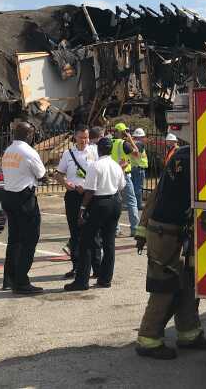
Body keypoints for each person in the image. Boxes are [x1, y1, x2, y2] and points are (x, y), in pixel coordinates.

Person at [134, 145, 206, 359]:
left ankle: (189, 334)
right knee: (165, 287)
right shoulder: (196, 161)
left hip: (175, 233)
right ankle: (148, 340)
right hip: (166, 234)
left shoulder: (181, 156)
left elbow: (156, 193)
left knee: (189, 284)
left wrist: (142, 229)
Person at [65, 137, 125, 291]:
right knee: (109, 242)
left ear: (99, 149)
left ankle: (82, 281)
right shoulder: (116, 166)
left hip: (100, 203)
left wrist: (82, 210)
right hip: (115, 202)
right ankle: (105, 279)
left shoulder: (95, 165)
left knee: (86, 241)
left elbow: (90, 190)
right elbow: (121, 185)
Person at [0, 121, 46, 295]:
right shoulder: (29, 152)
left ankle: (9, 279)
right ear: (29, 135)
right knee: (30, 240)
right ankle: (21, 282)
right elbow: (41, 174)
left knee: (14, 241)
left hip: (9, 196)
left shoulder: (8, 151)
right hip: (24, 198)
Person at [55, 125, 100, 281]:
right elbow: (58, 174)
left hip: (90, 195)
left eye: (86, 137)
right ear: (75, 137)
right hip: (73, 196)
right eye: (81, 137)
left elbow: (101, 170)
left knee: (93, 232)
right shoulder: (68, 154)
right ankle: (76, 267)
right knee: (75, 233)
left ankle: (97, 267)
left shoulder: (94, 151)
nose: (84, 140)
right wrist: (66, 183)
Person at [111, 123, 139, 237]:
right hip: (124, 175)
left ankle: (116, 230)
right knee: (132, 202)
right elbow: (137, 153)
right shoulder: (124, 144)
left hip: (112, 175)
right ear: (123, 133)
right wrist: (130, 139)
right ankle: (135, 229)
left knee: (115, 202)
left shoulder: (110, 142)